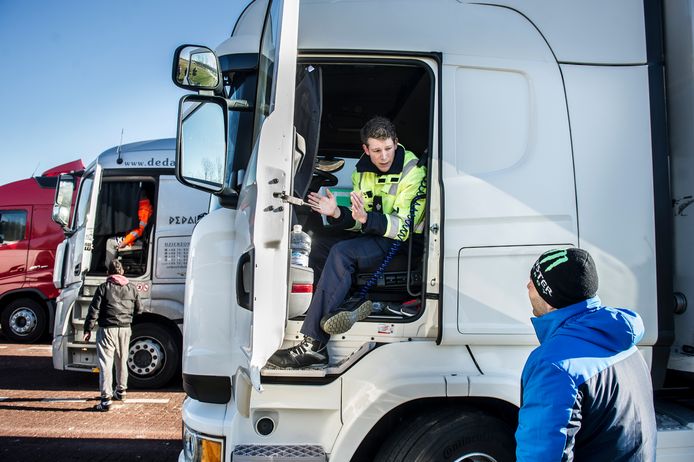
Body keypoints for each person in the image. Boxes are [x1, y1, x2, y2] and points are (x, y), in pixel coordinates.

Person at [267, 116, 426, 369]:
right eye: (376, 151)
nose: (384, 156)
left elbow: (403, 228)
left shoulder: (413, 170)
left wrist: (365, 219)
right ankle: (332, 308)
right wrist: (337, 213)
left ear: (396, 143)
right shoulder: (361, 172)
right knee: (319, 245)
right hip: (375, 236)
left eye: (388, 148)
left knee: (343, 253)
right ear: (366, 149)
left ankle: (314, 345)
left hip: (405, 244)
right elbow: (359, 221)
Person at [516, 247, 657, 461]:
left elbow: (542, 454)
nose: (527, 286)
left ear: (550, 296)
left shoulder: (553, 365)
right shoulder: (627, 344)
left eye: (533, 282)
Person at [84, 260, 143, 411]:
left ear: (108, 273)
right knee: (122, 360)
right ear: (122, 272)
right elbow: (139, 310)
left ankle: (105, 399)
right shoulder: (131, 288)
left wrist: (88, 329)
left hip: (107, 329)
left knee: (106, 363)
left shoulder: (104, 288)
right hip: (125, 329)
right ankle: (121, 391)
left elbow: (94, 310)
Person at [105, 189, 153, 268]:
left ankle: (110, 269)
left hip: (137, 241)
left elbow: (138, 231)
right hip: (135, 239)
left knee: (110, 242)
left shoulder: (143, 210)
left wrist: (124, 242)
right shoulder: (143, 206)